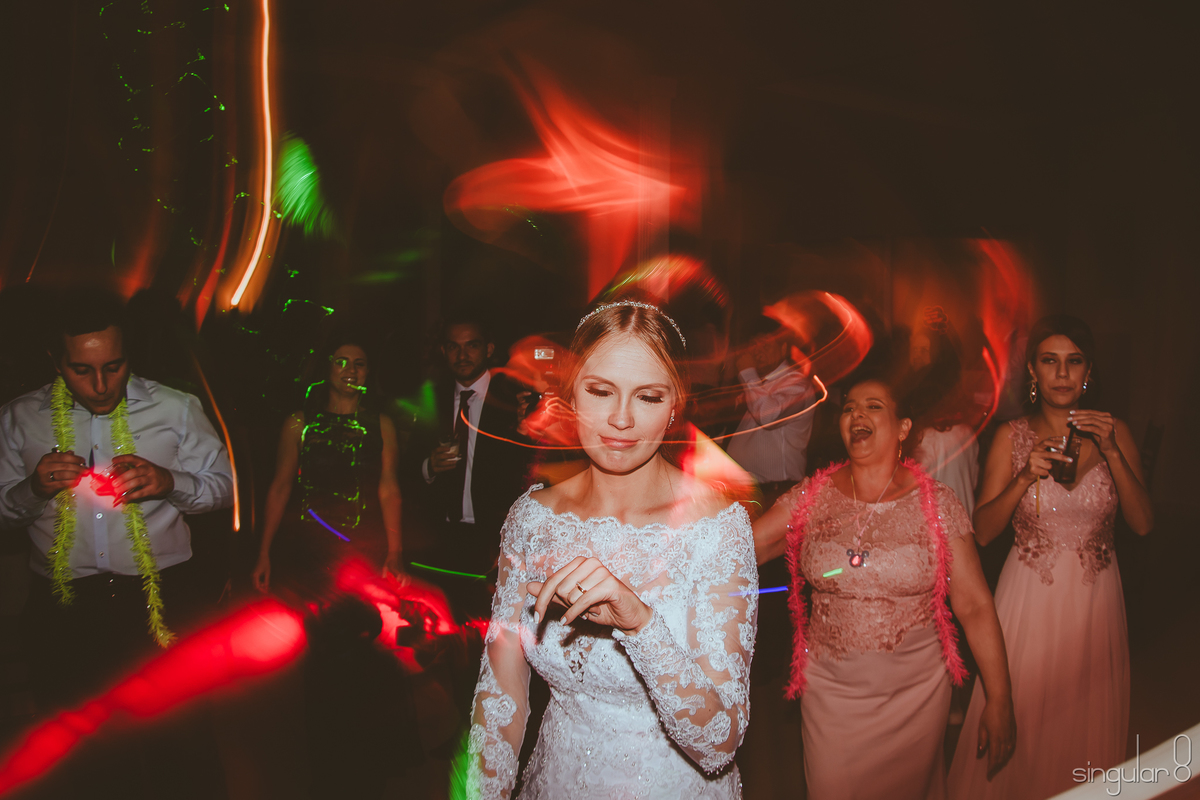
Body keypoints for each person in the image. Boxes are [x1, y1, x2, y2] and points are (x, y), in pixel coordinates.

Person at [465, 300, 758, 798]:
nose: (620, 418)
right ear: (571, 395)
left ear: (673, 407)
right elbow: (500, 695)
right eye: (601, 391)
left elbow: (719, 742)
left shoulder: (717, 529)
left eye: (647, 397)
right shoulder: (532, 519)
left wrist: (640, 624)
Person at [0, 293, 233, 797]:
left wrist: (171, 482)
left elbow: (224, 488)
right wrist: (32, 490)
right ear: (55, 362)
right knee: (85, 756)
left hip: (162, 601)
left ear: (130, 354)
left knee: (182, 744)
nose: (102, 385)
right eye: (82, 370)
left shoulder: (175, 407)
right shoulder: (20, 418)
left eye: (114, 366)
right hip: (64, 610)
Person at [754, 373, 1015, 800]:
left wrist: (999, 698)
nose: (857, 413)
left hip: (914, 695)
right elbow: (750, 547)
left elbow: (974, 605)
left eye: (873, 406)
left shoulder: (937, 503)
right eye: (850, 407)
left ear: (904, 427)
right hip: (831, 695)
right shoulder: (813, 495)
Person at [947, 314, 1152, 800]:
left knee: (1081, 727)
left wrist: (1113, 451)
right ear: (1034, 373)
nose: (1062, 373)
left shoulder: (1115, 431)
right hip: (1029, 601)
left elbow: (1143, 523)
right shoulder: (1011, 436)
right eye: (1050, 361)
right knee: (1024, 713)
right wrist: (1023, 478)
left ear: (1088, 372)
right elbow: (983, 533)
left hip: (1095, 601)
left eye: (1073, 361)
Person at [252, 330, 404, 597]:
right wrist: (264, 552)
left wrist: (395, 552)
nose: (350, 369)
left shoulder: (381, 424)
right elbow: (280, 487)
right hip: (308, 544)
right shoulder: (299, 423)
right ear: (328, 367)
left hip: (364, 544)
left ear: (368, 372)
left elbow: (389, 489)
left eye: (359, 363)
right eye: (341, 361)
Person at [410, 315, 531, 619]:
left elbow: (527, 474)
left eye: (472, 346)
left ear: (489, 349)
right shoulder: (429, 398)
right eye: (454, 347)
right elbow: (403, 469)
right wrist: (429, 467)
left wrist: (523, 430)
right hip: (441, 541)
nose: (462, 356)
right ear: (443, 351)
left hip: (494, 541)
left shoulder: (512, 400)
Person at [724, 315, 816, 495]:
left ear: (782, 349)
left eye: (765, 344)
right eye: (754, 346)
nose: (757, 352)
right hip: (749, 487)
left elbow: (767, 416)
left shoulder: (797, 384)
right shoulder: (759, 384)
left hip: (776, 489)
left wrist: (747, 373)